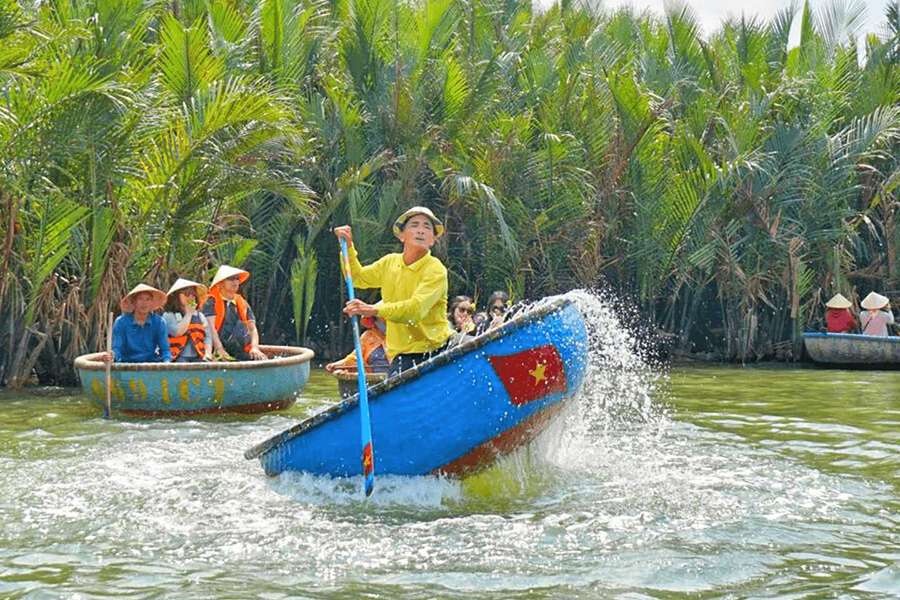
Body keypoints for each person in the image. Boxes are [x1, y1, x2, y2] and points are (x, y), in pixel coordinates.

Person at [333, 206, 453, 377]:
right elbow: (357, 278)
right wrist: (348, 247)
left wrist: (373, 310)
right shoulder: (389, 263)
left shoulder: (435, 269)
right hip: (403, 354)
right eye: (414, 225)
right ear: (401, 235)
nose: (421, 231)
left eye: (427, 227)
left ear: (432, 239)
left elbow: (415, 310)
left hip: (437, 349)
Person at [201, 265, 268, 360]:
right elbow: (210, 328)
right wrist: (219, 349)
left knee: (260, 360)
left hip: (238, 348)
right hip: (214, 348)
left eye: (237, 279)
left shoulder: (242, 302)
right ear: (220, 283)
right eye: (231, 279)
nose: (235, 282)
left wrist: (254, 348)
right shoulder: (210, 301)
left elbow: (252, 329)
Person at [102, 284, 171, 363]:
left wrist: (167, 363)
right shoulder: (121, 322)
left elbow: (165, 349)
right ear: (134, 302)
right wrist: (112, 356)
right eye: (140, 299)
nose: (144, 303)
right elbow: (117, 348)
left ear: (152, 303)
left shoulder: (159, 322)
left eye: (148, 299)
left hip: (151, 364)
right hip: (126, 364)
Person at [163, 278, 219, 362]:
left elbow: (207, 337)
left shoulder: (200, 316)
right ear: (176, 296)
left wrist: (208, 353)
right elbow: (177, 332)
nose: (190, 297)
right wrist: (189, 313)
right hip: (176, 357)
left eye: (193, 294)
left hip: (198, 356)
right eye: (186, 294)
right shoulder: (168, 315)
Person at [325, 315, 390, 374]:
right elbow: (354, 357)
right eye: (377, 319)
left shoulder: (397, 335)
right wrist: (336, 365)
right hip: (373, 377)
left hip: (395, 376)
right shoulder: (368, 336)